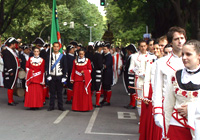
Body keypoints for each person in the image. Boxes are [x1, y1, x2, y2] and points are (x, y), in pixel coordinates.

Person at [152, 26, 186, 139]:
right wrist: (157, 111)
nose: (180, 41)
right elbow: (157, 88)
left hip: (189, 109)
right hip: (168, 109)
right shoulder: (161, 63)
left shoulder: (194, 61)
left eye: (182, 38)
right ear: (171, 42)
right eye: (176, 39)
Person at [164, 40, 200, 140]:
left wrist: (192, 109)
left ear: (198, 56)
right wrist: (165, 131)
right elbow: (168, 105)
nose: (184, 57)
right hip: (177, 124)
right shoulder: (175, 75)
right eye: (183, 54)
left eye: (188, 54)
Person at [128, 40, 155, 116]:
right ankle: (141, 117)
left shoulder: (152, 56)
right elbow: (130, 69)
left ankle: (148, 117)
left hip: (149, 80)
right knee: (140, 99)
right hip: (139, 80)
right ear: (139, 47)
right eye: (141, 46)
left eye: (144, 46)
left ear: (147, 46)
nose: (143, 48)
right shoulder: (134, 56)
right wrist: (136, 70)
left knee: (149, 98)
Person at [46, 42, 67, 111]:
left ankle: (60, 106)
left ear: (59, 47)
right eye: (54, 46)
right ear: (53, 47)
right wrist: (48, 75)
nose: (56, 48)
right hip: (52, 76)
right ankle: (51, 106)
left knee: (60, 93)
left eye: (57, 46)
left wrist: (64, 76)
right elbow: (47, 67)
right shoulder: (49, 56)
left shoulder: (63, 56)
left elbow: (65, 67)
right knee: (52, 93)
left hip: (59, 76)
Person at [2, 37, 20, 106]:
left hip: (15, 70)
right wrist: (10, 70)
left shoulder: (12, 51)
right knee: (11, 85)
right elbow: (7, 62)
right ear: (11, 44)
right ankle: (10, 101)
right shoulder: (6, 51)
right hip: (11, 71)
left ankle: (12, 100)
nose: (15, 45)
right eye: (15, 44)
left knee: (12, 85)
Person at [123, 44, 138, 109]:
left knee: (132, 88)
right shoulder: (130, 56)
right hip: (128, 74)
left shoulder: (133, 57)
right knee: (130, 88)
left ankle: (133, 103)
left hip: (131, 74)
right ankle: (131, 102)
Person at [92, 41, 104, 107]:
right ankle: (97, 103)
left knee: (93, 87)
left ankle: (89, 101)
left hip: (94, 72)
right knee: (98, 87)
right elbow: (100, 65)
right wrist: (103, 66)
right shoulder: (99, 55)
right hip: (98, 72)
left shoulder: (94, 54)